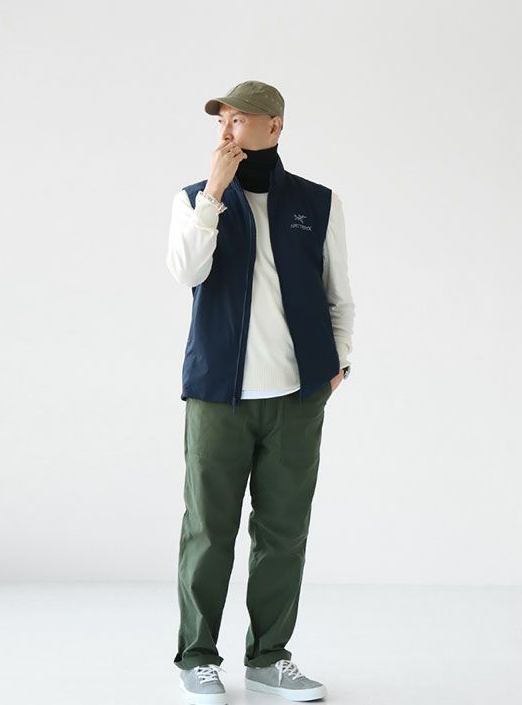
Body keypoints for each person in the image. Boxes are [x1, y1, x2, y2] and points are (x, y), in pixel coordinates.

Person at [166, 80, 355, 704]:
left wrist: (336, 366)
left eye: (239, 119)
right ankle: (198, 658)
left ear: (273, 127)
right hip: (218, 395)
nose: (226, 131)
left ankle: (270, 658)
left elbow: (338, 294)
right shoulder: (195, 199)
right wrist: (214, 196)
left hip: (296, 397)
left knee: (283, 533)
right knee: (207, 529)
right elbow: (186, 272)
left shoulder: (317, 202)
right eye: (221, 120)